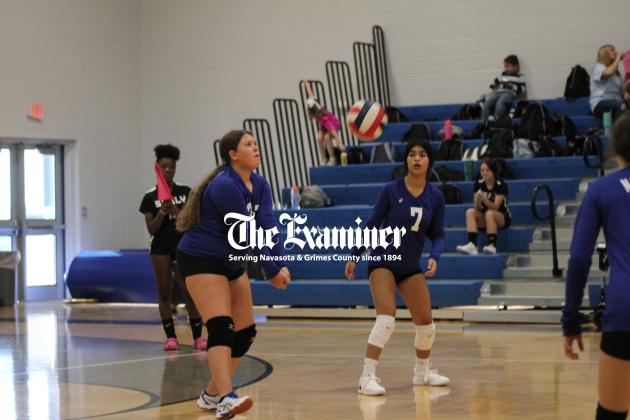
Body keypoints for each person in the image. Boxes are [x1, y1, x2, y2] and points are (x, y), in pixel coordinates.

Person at [176, 130, 291, 418]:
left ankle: (211, 394)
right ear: (233, 154)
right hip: (200, 257)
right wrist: (271, 270)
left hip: (229, 260)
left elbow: (268, 226)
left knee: (245, 331)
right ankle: (226, 398)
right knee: (220, 326)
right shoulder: (225, 185)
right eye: (248, 144)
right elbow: (247, 233)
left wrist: (280, 263)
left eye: (256, 143)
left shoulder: (260, 185)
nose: (256, 147)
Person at [345, 138, 449, 397]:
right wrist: (355, 255)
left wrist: (435, 255)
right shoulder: (391, 190)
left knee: (426, 324)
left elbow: (437, 234)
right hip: (383, 262)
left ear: (429, 161)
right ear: (406, 160)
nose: (416, 158)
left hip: (410, 266)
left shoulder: (435, 197)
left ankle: (421, 374)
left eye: (422, 154)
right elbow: (372, 224)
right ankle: (366, 377)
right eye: (412, 154)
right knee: (386, 318)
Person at [562, 111, 630, 420]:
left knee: (611, 414)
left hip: (625, 310)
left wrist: (571, 320)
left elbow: (579, 258)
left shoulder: (602, 190)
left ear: (615, 149)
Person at [139, 144, 206, 351]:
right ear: (158, 168)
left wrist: (176, 210)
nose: (168, 170)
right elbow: (151, 229)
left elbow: (192, 222)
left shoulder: (185, 192)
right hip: (160, 249)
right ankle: (171, 337)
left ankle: (198, 337)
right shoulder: (150, 197)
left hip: (183, 247)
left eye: (172, 167)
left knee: (190, 292)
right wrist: (162, 212)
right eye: (164, 167)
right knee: (164, 292)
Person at [456, 158, 511, 255]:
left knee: (490, 213)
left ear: (493, 171)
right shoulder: (478, 184)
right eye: (482, 171)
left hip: (501, 217)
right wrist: (477, 201)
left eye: (488, 170)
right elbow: (477, 208)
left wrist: (484, 200)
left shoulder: (500, 184)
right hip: (485, 217)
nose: (485, 173)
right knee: (470, 212)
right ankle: (472, 245)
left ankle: (492, 245)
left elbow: (496, 207)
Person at [304, 79, 347, 165]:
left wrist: (340, 143)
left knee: (327, 137)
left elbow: (334, 132)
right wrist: (306, 83)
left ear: (319, 112)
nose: (316, 118)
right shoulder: (312, 103)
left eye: (316, 116)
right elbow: (310, 93)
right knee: (319, 139)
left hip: (334, 125)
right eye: (315, 117)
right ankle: (324, 159)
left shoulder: (325, 118)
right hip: (323, 126)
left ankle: (332, 158)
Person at [481, 55, 526, 121]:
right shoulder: (503, 75)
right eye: (505, 66)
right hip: (498, 92)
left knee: (500, 103)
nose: (506, 68)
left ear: (515, 67)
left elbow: (523, 89)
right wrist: (490, 90)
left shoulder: (519, 77)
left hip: (509, 93)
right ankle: (484, 123)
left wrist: (512, 86)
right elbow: (495, 81)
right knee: (487, 103)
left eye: (508, 66)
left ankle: (497, 121)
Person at [590, 44, 625, 121]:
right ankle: (617, 132)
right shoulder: (599, 67)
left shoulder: (617, 74)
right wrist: (618, 58)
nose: (615, 52)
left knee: (624, 106)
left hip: (616, 102)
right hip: (600, 103)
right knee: (621, 106)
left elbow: (623, 93)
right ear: (605, 54)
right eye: (612, 50)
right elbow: (609, 73)